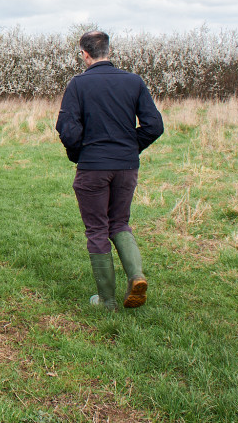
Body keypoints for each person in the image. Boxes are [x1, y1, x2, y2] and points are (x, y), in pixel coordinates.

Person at [56, 30, 164, 311]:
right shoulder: (134, 82)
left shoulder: (78, 85)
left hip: (93, 167)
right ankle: (136, 276)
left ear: (85, 54)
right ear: (109, 51)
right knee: (119, 223)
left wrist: (80, 152)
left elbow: (67, 131)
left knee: (97, 229)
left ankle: (106, 300)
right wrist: (130, 147)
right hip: (126, 166)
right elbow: (154, 126)